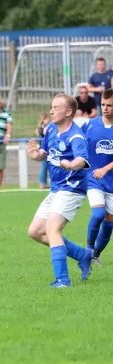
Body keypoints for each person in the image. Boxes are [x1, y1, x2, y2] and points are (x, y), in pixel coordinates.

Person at [26, 93, 92, 288]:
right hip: (56, 189)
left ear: (69, 111)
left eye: (56, 108)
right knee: (35, 232)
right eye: (51, 107)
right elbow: (44, 154)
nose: (51, 111)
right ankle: (82, 254)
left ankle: (62, 280)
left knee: (52, 229)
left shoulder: (76, 135)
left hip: (72, 189)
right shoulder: (51, 130)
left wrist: (72, 165)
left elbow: (82, 159)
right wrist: (35, 155)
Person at [81, 88, 113, 265]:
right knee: (98, 214)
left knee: (109, 225)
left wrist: (107, 168)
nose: (105, 108)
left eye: (109, 105)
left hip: (111, 181)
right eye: (103, 105)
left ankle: (96, 255)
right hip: (94, 178)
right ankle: (88, 248)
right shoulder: (90, 125)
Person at [36, 112, 50, 189]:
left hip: (44, 148)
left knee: (45, 166)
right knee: (45, 166)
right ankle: (42, 183)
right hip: (45, 148)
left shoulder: (41, 127)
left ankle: (43, 183)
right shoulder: (44, 127)